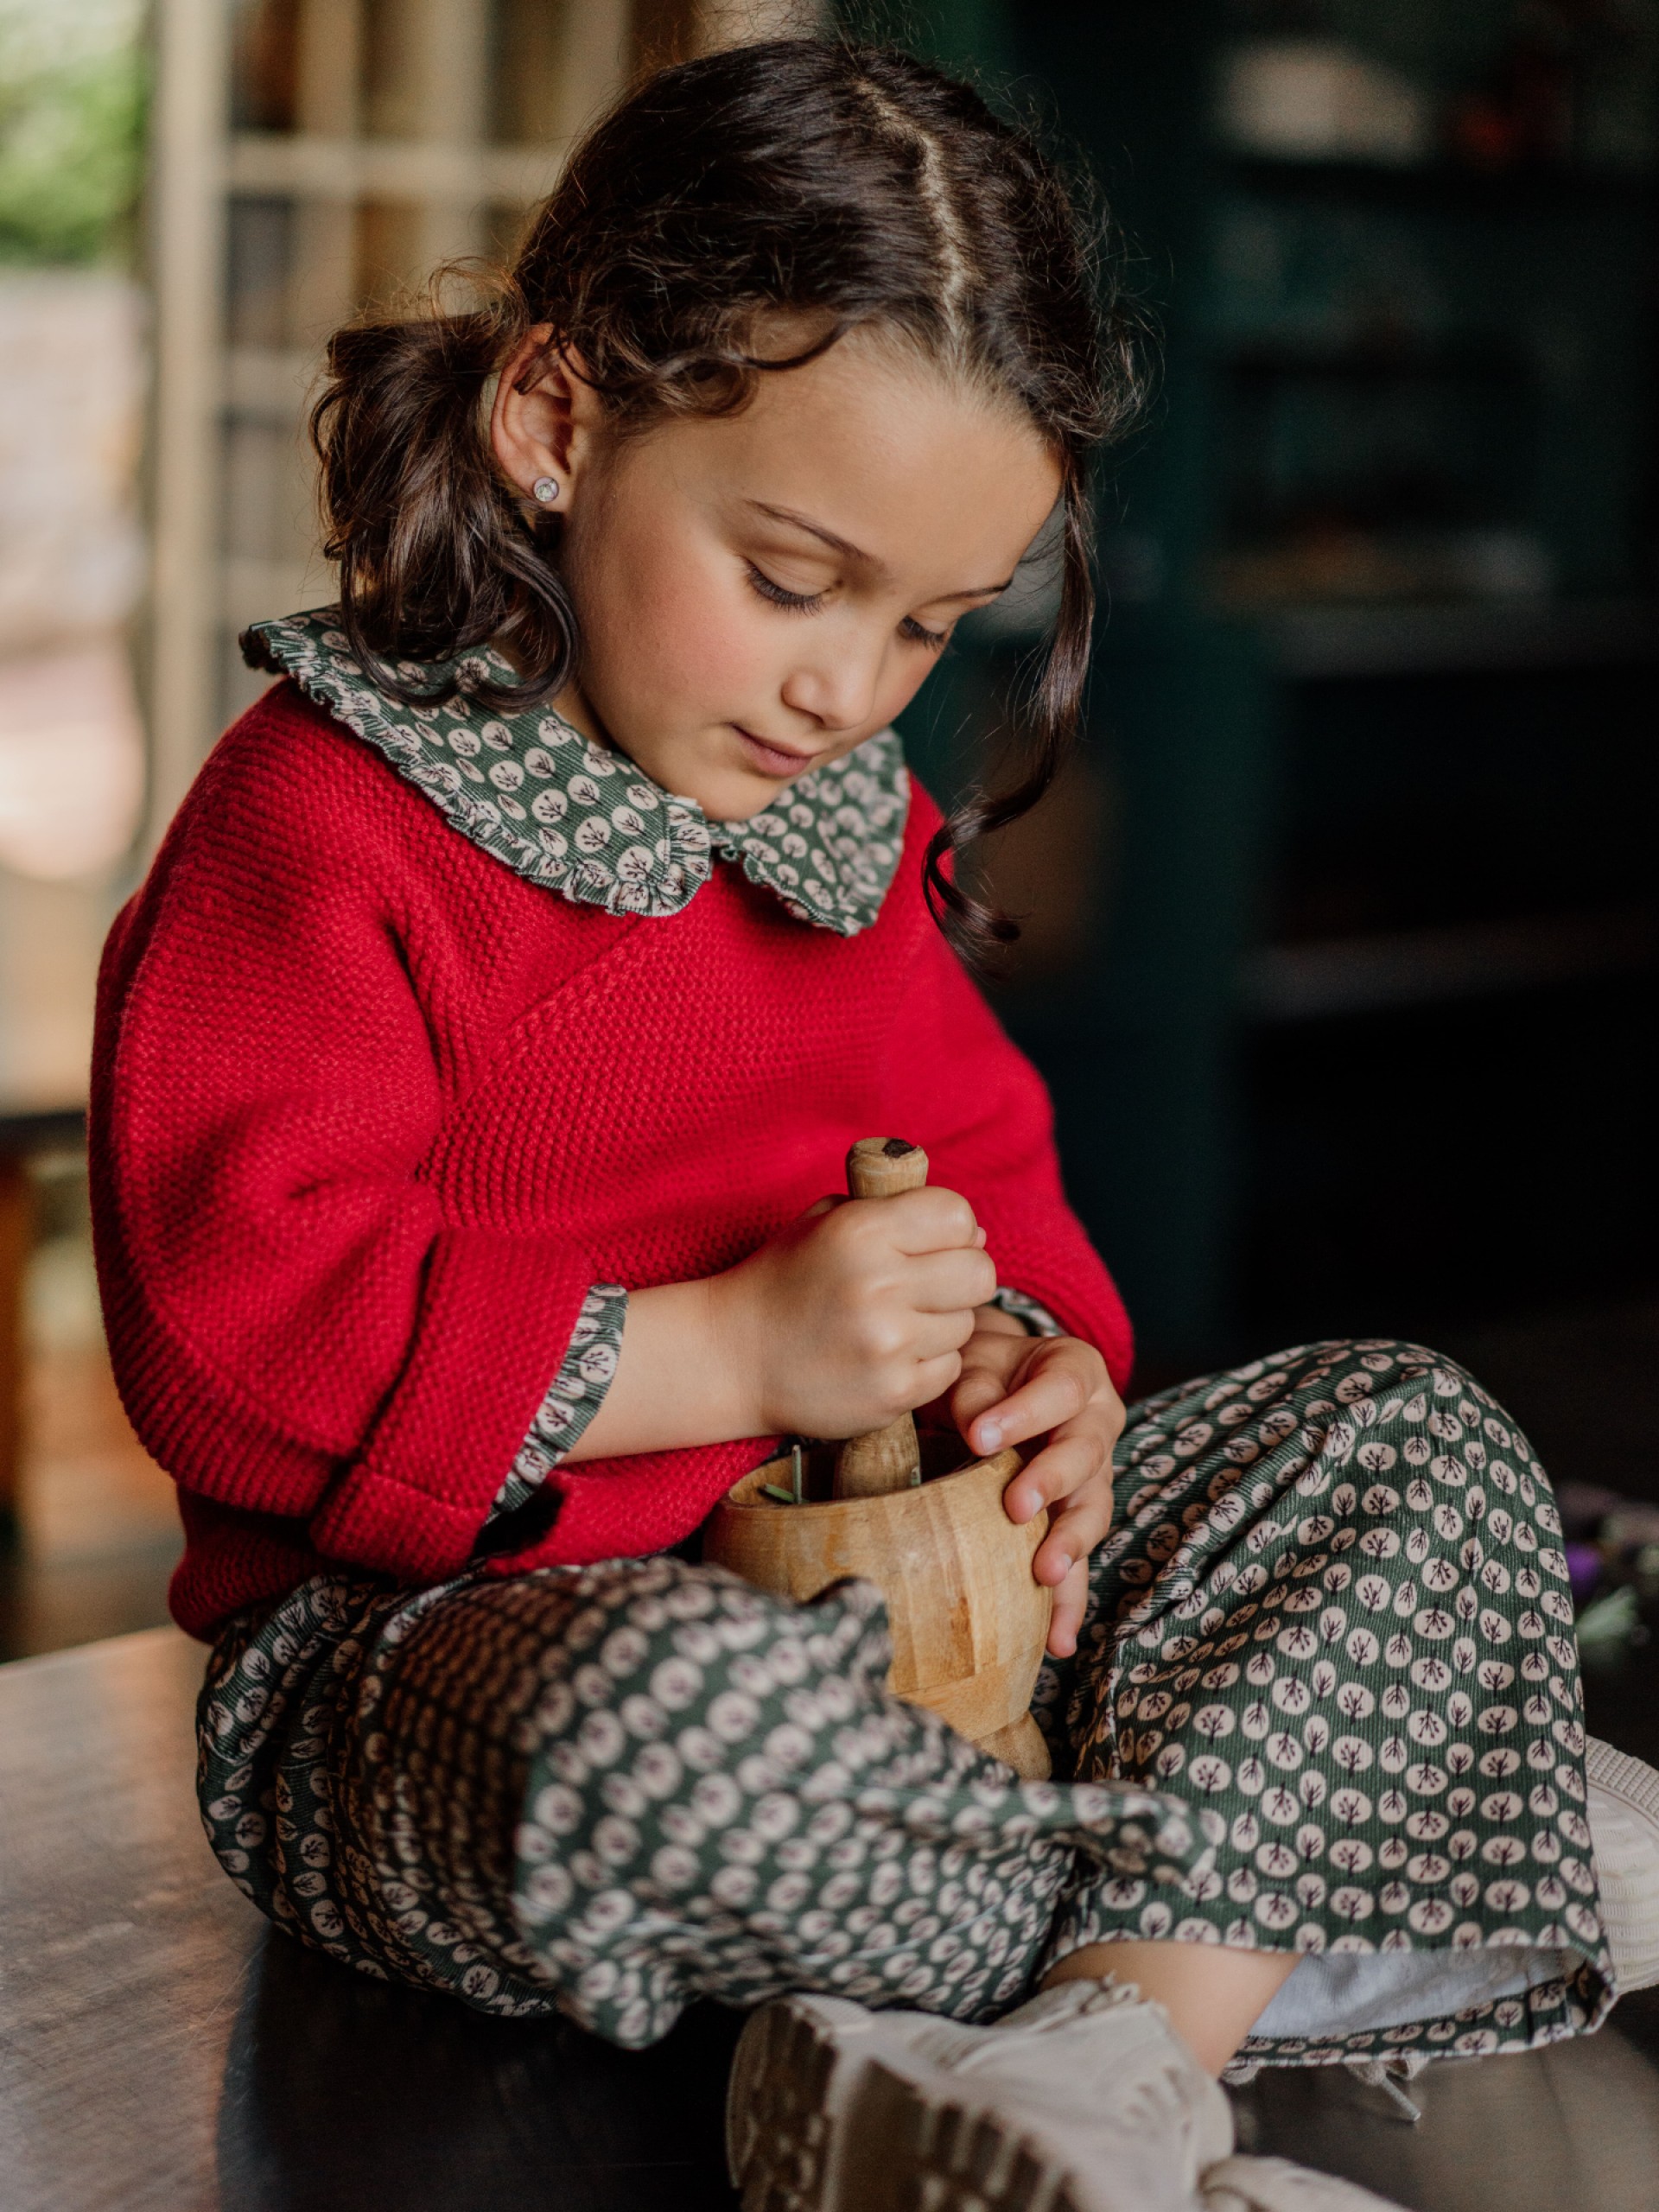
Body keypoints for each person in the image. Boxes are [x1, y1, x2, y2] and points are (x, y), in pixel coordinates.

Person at [92, 38, 1659, 2212]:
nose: (851, 686)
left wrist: (1052, 1376)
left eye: (927, 624)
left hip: (950, 1668)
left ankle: (1115, 2061)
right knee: (667, 1737)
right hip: (437, 1660)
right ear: (558, 422)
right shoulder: (328, 816)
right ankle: (1272, 1886)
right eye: (795, 575)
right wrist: (729, 1357)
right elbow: (234, 1337)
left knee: (1405, 1433)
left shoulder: (845, 825)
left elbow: (1003, 1200)